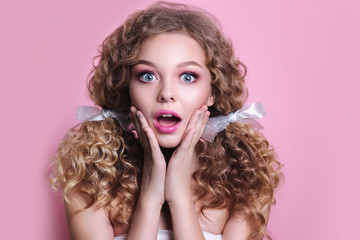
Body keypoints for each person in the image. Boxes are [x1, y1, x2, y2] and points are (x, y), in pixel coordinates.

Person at [52, 2, 282, 240]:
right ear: (126, 87)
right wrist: (150, 196)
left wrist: (179, 196)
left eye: (187, 76)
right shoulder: (90, 179)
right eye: (148, 76)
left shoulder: (245, 178)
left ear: (212, 92)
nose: (166, 93)